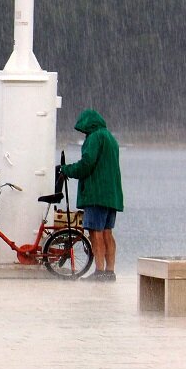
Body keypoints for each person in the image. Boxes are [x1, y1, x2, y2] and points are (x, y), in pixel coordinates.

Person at [59, 109, 123, 282]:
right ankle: (110, 272)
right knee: (107, 232)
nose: (83, 132)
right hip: (112, 194)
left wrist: (66, 170)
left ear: (88, 124)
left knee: (96, 232)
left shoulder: (94, 137)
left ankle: (99, 271)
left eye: (83, 129)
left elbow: (87, 164)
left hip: (96, 193)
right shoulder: (110, 138)